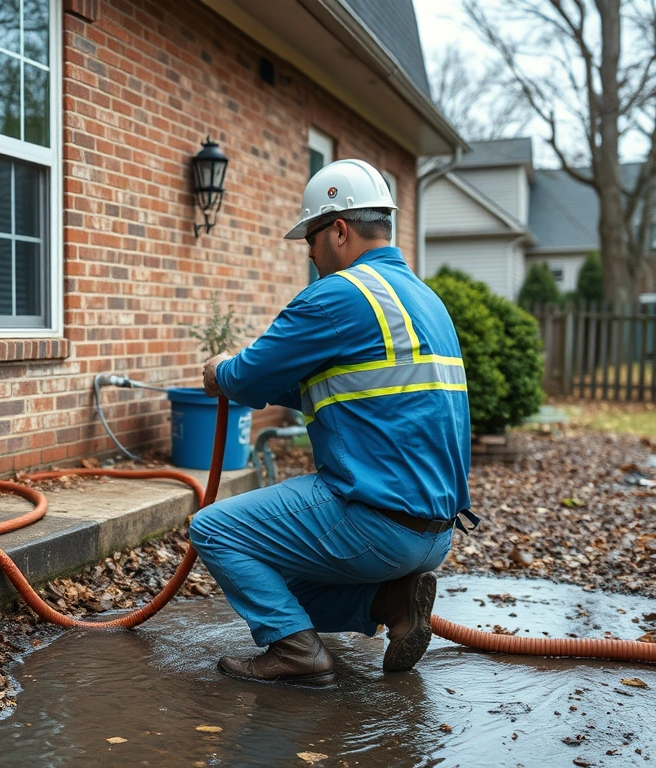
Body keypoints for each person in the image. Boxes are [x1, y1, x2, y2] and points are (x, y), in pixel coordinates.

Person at [189, 158, 476, 686]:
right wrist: (251, 379)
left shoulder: (340, 295)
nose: (311, 255)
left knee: (215, 529)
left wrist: (219, 371)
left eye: (312, 240)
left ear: (339, 230)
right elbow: (339, 391)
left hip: (378, 521)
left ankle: (296, 651)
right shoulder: (425, 300)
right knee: (272, 583)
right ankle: (392, 601)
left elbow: (247, 380)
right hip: (434, 534)